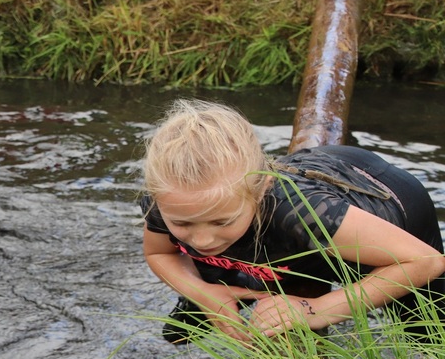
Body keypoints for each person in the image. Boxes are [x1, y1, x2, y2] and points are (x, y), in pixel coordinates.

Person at [139, 98, 445, 344]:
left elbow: (425, 261)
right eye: (183, 224)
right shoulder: (170, 200)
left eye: (221, 222)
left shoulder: (301, 213)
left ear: (261, 189)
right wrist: (201, 292)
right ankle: (226, 280)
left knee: (429, 336)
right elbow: (160, 253)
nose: (202, 239)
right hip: (270, 231)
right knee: (206, 270)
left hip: (386, 200)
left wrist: (315, 309)